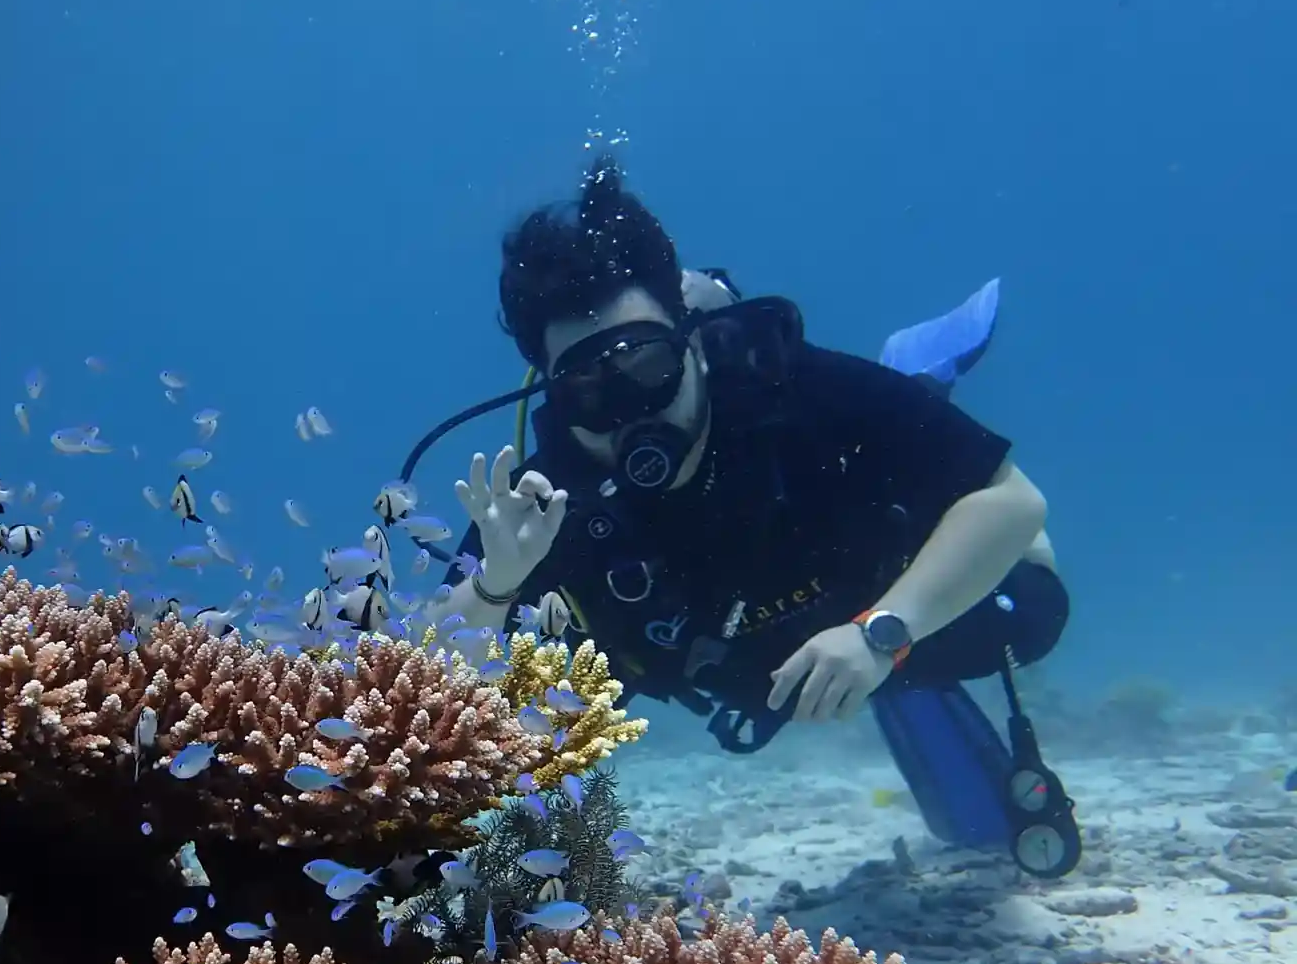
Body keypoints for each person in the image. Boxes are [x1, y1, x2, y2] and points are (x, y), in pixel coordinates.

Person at [419, 158, 1082, 877]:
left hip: (870, 612)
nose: (631, 415)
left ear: (692, 341)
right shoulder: (545, 497)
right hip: (723, 663)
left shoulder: (795, 390)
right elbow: (432, 684)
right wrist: (497, 585)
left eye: (648, 369)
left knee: (1033, 610)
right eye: (587, 391)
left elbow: (1015, 502)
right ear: (553, 394)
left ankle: (922, 386)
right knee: (535, 699)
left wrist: (883, 633)